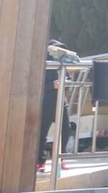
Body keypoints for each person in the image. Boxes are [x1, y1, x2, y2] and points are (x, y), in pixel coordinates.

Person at [37, 40, 77, 172]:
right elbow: (37, 84)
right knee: (41, 133)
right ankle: (40, 161)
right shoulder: (44, 64)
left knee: (66, 130)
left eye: (60, 49)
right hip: (46, 103)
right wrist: (52, 85)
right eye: (56, 49)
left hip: (61, 102)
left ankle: (60, 159)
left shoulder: (63, 63)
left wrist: (66, 82)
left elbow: (69, 79)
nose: (58, 52)